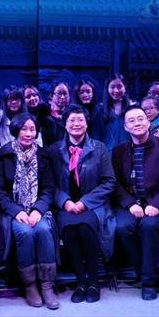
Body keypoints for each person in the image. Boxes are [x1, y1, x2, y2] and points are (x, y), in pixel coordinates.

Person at [112, 106, 159, 300]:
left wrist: (156, 204)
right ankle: (153, 275)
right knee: (124, 227)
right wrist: (130, 204)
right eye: (131, 120)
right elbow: (115, 183)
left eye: (141, 118)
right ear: (125, 127)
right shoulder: (119, 150)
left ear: (148, 122)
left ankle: (148, 283)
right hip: (131, 204)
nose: (137, 123)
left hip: (158, 203)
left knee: (150, 225)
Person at [0, 113, 59, 309]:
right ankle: (30, 285)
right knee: (25, 232)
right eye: (24, 129)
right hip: (13, 210)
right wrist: (16, 211)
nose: (28, 134)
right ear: (16, 130)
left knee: (44, 230)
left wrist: (38, 209)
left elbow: (49, 188)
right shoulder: (3, 154)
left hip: (38, 209)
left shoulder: (44, 155)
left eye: (32, 129)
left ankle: (47, 285)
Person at [50, 104, 116, 304]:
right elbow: (49, 184)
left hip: (92, 204)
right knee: (69, 231)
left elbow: (109, 181)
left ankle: (93, 282)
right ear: (65, 124)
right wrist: (65, 201)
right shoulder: (54, 150)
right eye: (71, 120)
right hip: (66, 205)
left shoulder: (99, 147)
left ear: (87, 123)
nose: (76, 124)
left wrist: (85, 202)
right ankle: (81, 282)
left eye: (80, 120)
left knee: (86, 229)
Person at [0, 85, 37, 162]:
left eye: (17, 99)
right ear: (5, 101)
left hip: (28, 160)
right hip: (4, 160)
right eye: (10, 99)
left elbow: (37, 142)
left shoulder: (30, 119)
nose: (14, 102)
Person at [91, 73, 136, 155]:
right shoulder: (100, 112)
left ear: (125, 88)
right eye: (112, 87)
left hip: (130, 155)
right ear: (107, 89)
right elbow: (96, 138)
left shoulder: (133, 109)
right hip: (108, 157)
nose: (116, 90)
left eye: (119, 87)